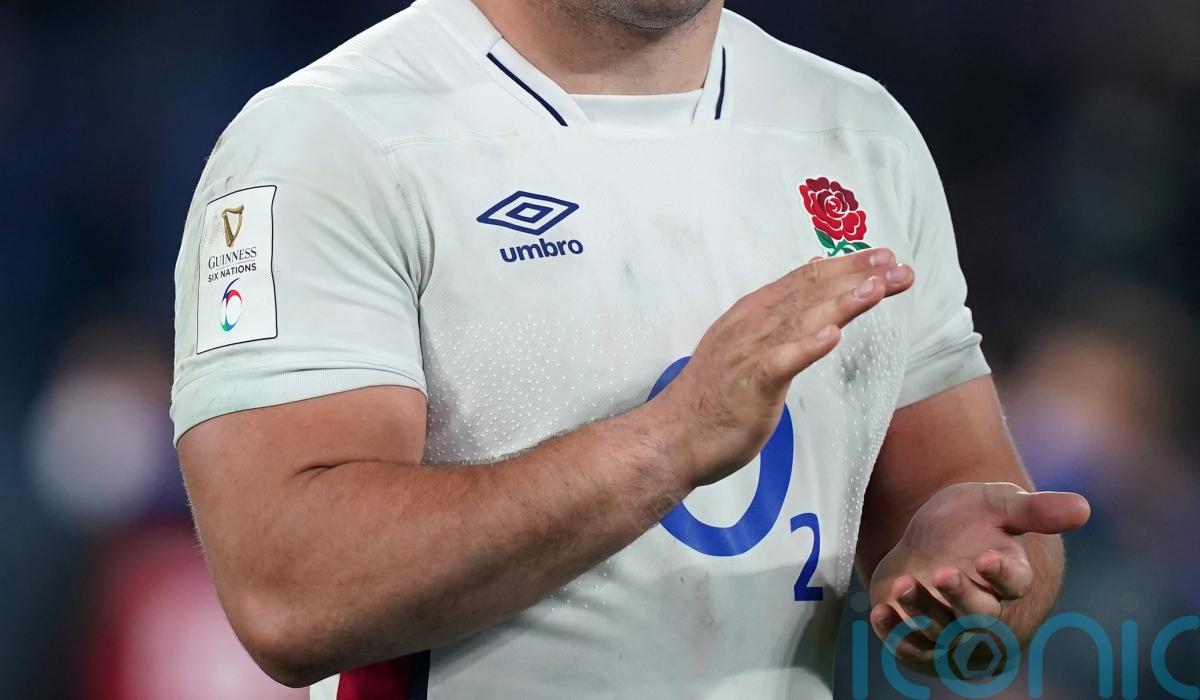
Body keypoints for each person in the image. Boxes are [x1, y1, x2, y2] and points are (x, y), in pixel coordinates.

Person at [170, 1, 1090, 697]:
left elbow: (970, 513)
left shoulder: (858, 132)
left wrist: (979, 578)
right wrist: (670, 441)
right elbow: (291, 593)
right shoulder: (329, 139)